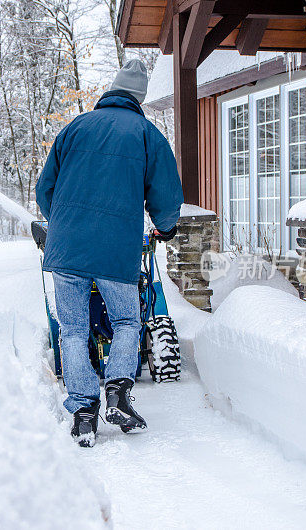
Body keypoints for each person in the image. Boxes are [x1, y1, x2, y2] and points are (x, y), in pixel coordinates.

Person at [35, 59, 183, 447]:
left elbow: (44, 190)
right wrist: (166, 227)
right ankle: (117, 389)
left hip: (66, 249)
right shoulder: (147, 135)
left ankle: (84, 409)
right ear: (139, 98)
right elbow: (166, 195)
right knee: (126, 321)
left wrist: (65, 224)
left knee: (72, 329)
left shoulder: (75, 128)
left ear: (111, 91)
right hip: (117, 252)